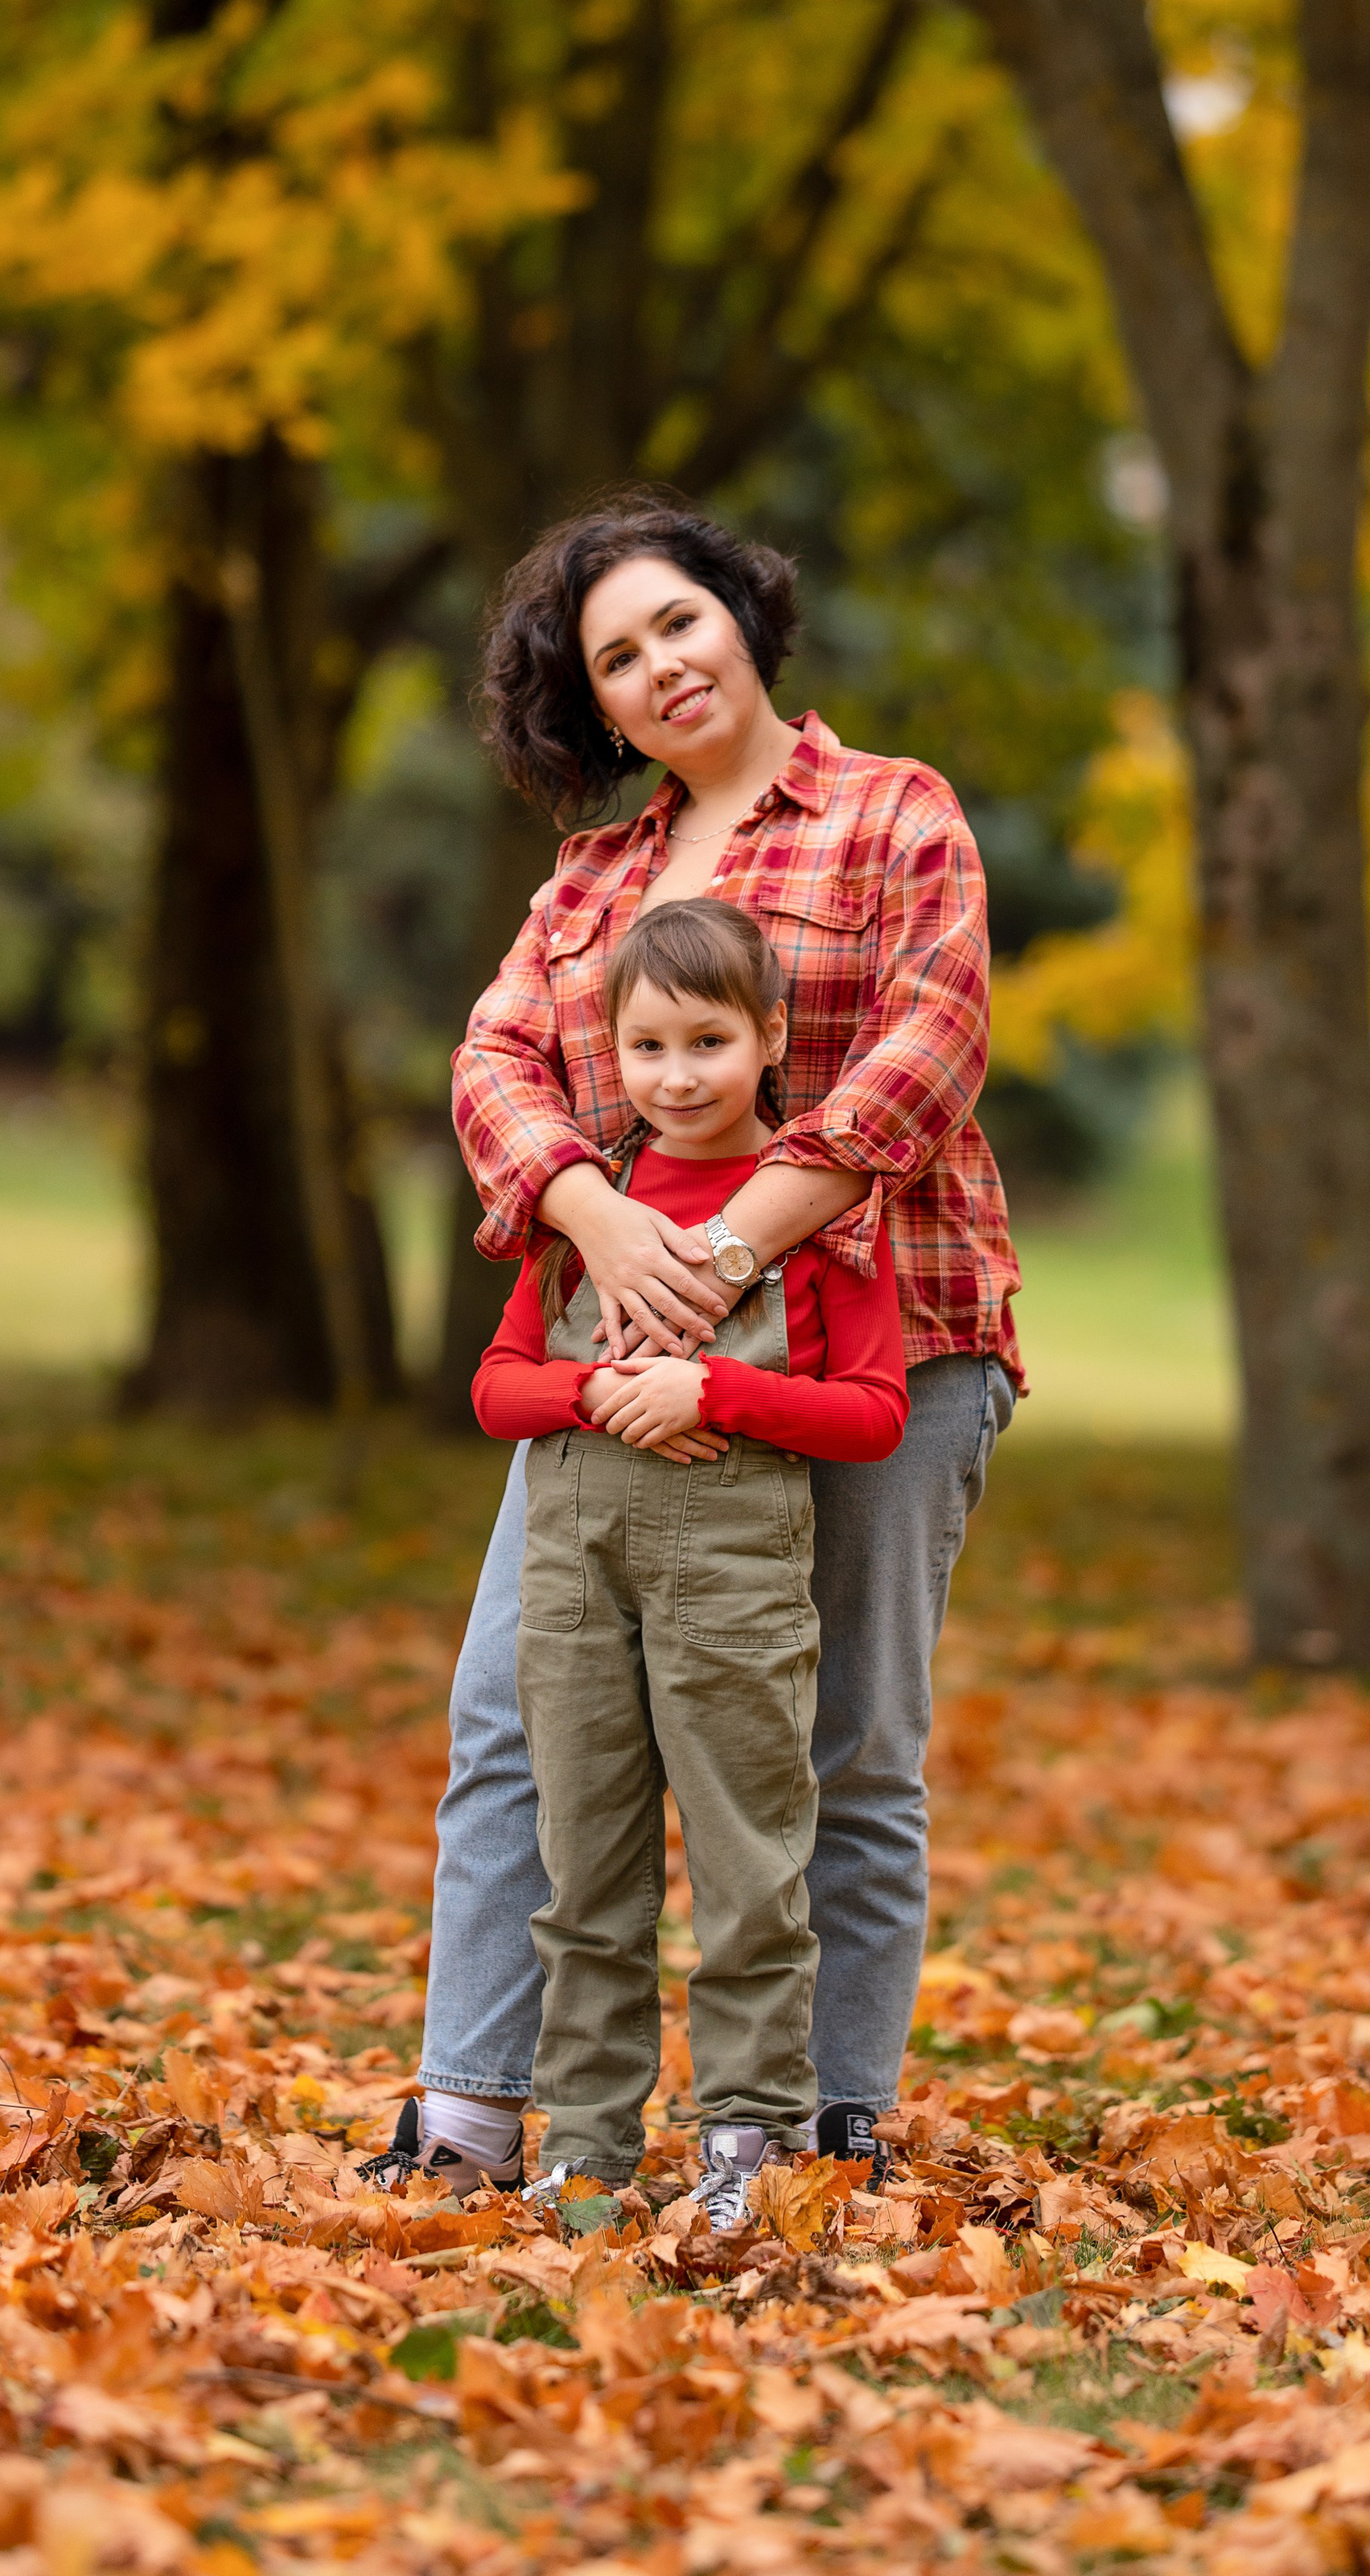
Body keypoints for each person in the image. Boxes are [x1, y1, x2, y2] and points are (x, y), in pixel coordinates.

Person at [371, 482, 1019, 2200]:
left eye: (677, 619)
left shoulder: (891, 816)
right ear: (589, 706)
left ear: (738, 613)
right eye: (614, 658)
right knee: (512, 1711)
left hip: (888, 1342)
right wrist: (590, 1217)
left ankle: (816, 2127)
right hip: (612, 1382)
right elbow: (490, 1070)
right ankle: (469, 2114)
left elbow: (924, 1055)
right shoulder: (590, 883)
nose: (660, 664)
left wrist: (723, 1249)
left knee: (849, 1743)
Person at [473, 898, 907, 2227]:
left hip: (731, 1577)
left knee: (748, 1867)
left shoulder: (821, 1220)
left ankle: (749, 2139)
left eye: (708, 1043)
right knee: (584, 1867)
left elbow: (875, 1410)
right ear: (613, 1050)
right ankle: (585, 2147)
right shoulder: (588, 1208)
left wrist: (712, 1390)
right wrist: (596, 1395)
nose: (677, 1077)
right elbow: (498, 1388)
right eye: (648, 1047)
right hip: (576, 1571)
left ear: (772, 1037)